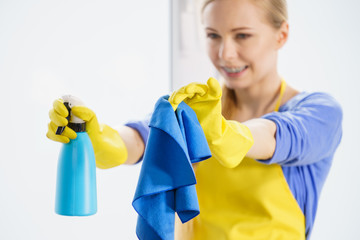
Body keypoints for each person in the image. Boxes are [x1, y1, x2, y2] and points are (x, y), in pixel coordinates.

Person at [47, 0, 343, 239]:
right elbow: (140, 138)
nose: (225, 53)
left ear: (282, 34)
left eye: (242, 35)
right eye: (213, 35)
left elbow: (277, 135)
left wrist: (229, 136)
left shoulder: (320, 112)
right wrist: (98, 137)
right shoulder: (198, 108)